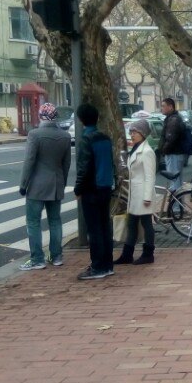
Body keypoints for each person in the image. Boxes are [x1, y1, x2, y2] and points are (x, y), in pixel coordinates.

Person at [18, 102, 72, 270]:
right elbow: (66, 164)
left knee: (33, 222)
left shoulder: (35, 135)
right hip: (56, 184)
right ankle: (56, 256)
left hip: (36, 185)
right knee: (55, 221)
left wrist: (23, 184)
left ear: (41, 116)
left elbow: (29, 162)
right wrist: (61, 183)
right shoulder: (65, 136)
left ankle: (37, 259)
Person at [74, 102, 115, 281]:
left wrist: (78, 189)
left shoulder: (86, 140)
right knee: (105, 227)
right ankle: (107, 264)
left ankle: (97, 266)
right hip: (106, 187)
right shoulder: (105, 138)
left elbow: (84, 168)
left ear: (81, 120)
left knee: (94, 229)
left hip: (91, 190)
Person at [115, 118, 156, 266]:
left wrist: (147, 197)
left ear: (143, 134)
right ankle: (127, 254)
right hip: (135, 193)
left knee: (146, 223)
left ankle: (148, 253)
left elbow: (150, 176)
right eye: (131, 132)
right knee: (132, 223)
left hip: (142, 194)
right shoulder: (136, 149)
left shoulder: (146, 152)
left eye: (135, 132)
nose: (132, 135)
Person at [158, 97, 186, 192]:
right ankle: (179, 205)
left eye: (163, 106)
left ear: (170, 107)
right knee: (177, 182)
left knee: (175, 183)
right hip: (176, 154)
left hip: (174, 154)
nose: (161, 108)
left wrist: (163, 150)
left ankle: (176, 207)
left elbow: (170, 139)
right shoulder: (173, 118)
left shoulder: (173, 120)